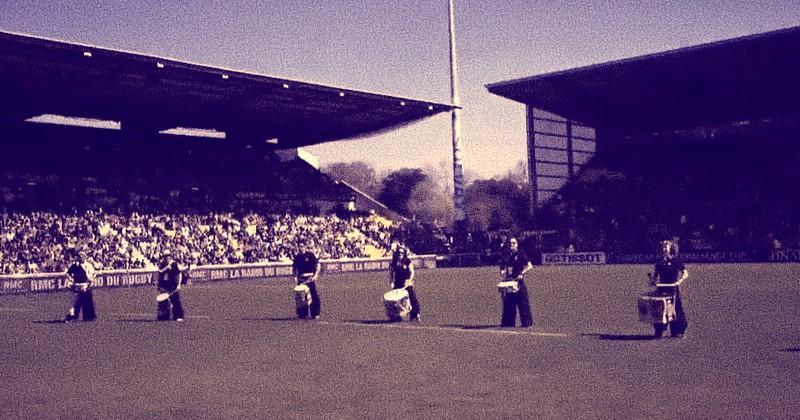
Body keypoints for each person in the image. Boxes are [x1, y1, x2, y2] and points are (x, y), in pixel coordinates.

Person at [649, 239, 688, 338]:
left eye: (665, 247)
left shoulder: (675, 261)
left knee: (676, 309)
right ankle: (659, 330)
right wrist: (652, 281)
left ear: (670, 248)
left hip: (673, 288)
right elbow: (655, 277)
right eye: (662, 247)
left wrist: (679, 281)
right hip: (662, 289)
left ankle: (678, 331)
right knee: (660, 310)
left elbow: (685, 273)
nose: (664, 249)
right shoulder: (659, 263)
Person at [498, 237, 533, 328]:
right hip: (509, 281)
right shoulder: (506, 255)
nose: (511, 245)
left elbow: (529, 266)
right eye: (510, 243)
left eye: (513, 243)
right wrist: (502, 272)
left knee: (523, 303)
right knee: (509, 303)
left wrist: (522, 273)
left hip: (518, 281)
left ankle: (526, 322)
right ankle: (508, 323)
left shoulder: (521, 254)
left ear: (517, 244)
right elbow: (502, 267)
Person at [388, 244, 420, 321]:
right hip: (398, 283)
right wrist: (391, 282)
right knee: (395, 301)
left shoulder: (407, 261)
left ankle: (415, 314)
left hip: (407, 283)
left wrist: (409, 280)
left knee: (413, 298)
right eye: (399, 253)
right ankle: (396, 316)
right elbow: (391, 273)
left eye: (402, 253)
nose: (400, 254)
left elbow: (412, 272)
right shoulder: (393, 262)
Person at [64, 251, 96, 322]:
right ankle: (73, 316)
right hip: (77, 285)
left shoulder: (89, 265)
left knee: (87, 302)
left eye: (82, 255)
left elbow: (92, 275)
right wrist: (71, 280)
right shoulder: (75, 265)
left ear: (85, 257)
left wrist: (89, 283)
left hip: (86, 285)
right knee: (75, 302)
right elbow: (68, 273)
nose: (80, 257)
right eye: (79, 255)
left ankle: (88, 317)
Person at [292, 244, 321, 319]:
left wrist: (316, 276)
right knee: (301, 297)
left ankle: (315, 313)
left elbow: (317, 266)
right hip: (301, 279)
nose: (300, 248)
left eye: (302, 246)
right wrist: (295, 277)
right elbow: (294, 269)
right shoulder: (297, 257)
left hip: (310, 278)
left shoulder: (310, 255)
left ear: (305, 247)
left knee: (314, 295)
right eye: (299, 246)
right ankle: (302, 314)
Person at [156, 251, 185, 322]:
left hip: (172, 285)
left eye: (167, 256)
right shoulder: (162, 264)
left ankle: (178, 316)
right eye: (165, 256)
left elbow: (179, 274)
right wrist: (159, 285)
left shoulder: (174, 264)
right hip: (165, 285)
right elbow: (160, 274)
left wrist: (178, 284)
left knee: (175, 300)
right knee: (163, 302)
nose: (166, 257)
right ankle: (164, 316)